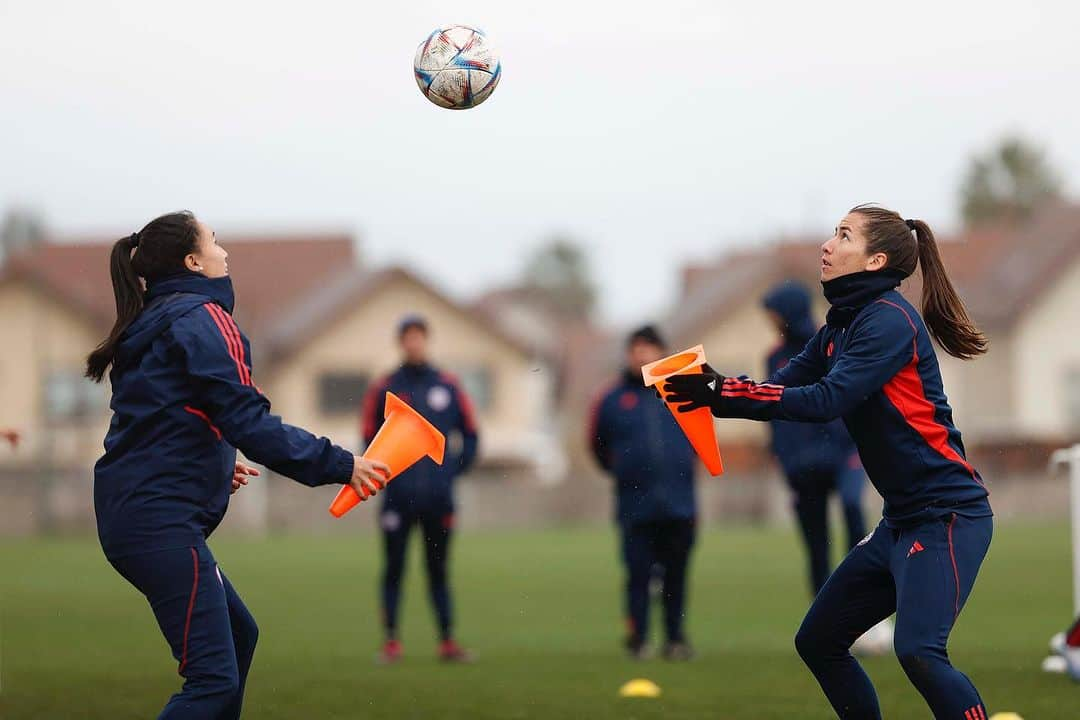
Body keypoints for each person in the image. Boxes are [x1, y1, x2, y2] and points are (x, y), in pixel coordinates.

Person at [664, 205, 993, 719]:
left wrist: (720, 390)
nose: (827, 244)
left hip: (948, 515)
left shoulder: (888, 321)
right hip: (902, 522)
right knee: (819, 640)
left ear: (874, 260)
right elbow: (786, 384)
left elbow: (824, 400)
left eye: (843, 235)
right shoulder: (845, 323)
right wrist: (712, 388)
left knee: (919, 652)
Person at [88, 211, 389, 719]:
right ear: (193, 261)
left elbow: (158, 419)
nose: (224, 251)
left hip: (137, 515)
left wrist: (210, 459)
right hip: (158, 523)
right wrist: (342, 464)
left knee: (238, 636)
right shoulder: (202, 319)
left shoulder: (158, 320)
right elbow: (249, 422)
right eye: (214, 241)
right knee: (210, 681)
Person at [360, 314, 479, 664]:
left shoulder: (448, 385)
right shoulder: (385, 388)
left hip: (438, 500)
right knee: (394, 569)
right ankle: (391, 643)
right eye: (408, 338)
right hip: (397, 499)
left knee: (438, 570)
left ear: (427, 340)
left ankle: (447, 641)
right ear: (401, 342)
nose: (414, 343)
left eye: (419, 337)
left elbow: (471, 435)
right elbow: (369, 439)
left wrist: (450, 473)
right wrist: (385, 475)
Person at [589, 325, 697, 660]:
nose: (642, 355)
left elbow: (700, 438)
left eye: (649, 348)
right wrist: (624, 470)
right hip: (635, 504)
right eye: (636, 348)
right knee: (637, 574)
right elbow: (597, 445)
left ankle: (675, 639)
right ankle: (638, 640)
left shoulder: (683, 391)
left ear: (662, 352)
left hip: (680, 503)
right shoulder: (611, 399)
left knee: (676, 575)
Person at [762, 280, 868, 595]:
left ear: (789, 312)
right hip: (802, 464)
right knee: (816, 544)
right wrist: (783, 455)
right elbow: (772, 409)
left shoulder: (833, 344)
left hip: (843, 452)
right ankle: (824, 619)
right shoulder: (774, 358)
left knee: (852, 508)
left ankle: (863, 594)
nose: (770, 321)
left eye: (773, 314)